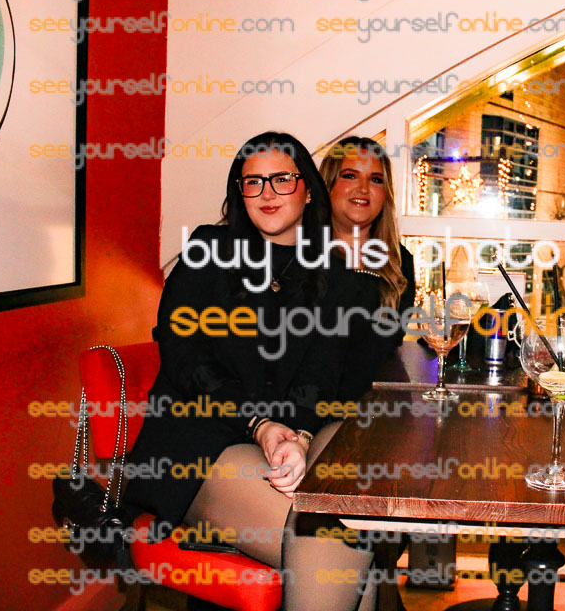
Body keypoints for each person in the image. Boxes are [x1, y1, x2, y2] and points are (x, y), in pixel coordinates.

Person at [124, 132, 378, 610]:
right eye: (253, 182)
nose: (266, 193)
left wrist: (298, 434)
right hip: (198, 444)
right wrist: (259, 424)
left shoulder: (336, 279)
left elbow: (322, 376)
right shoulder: (208, 250)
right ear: (239, 192)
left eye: (282, 179)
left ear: (308, 190)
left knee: (350, 539)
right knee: (335, 534)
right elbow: (185, 357)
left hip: (285, 443)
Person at [319, 136, 415, 397]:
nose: (363, 188)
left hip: (376, 405)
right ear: (328, 185)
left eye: (375, 180)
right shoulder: (300, 256)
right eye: (350, 176)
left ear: (385, 194)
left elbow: (386, 350)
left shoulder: (400, 263)